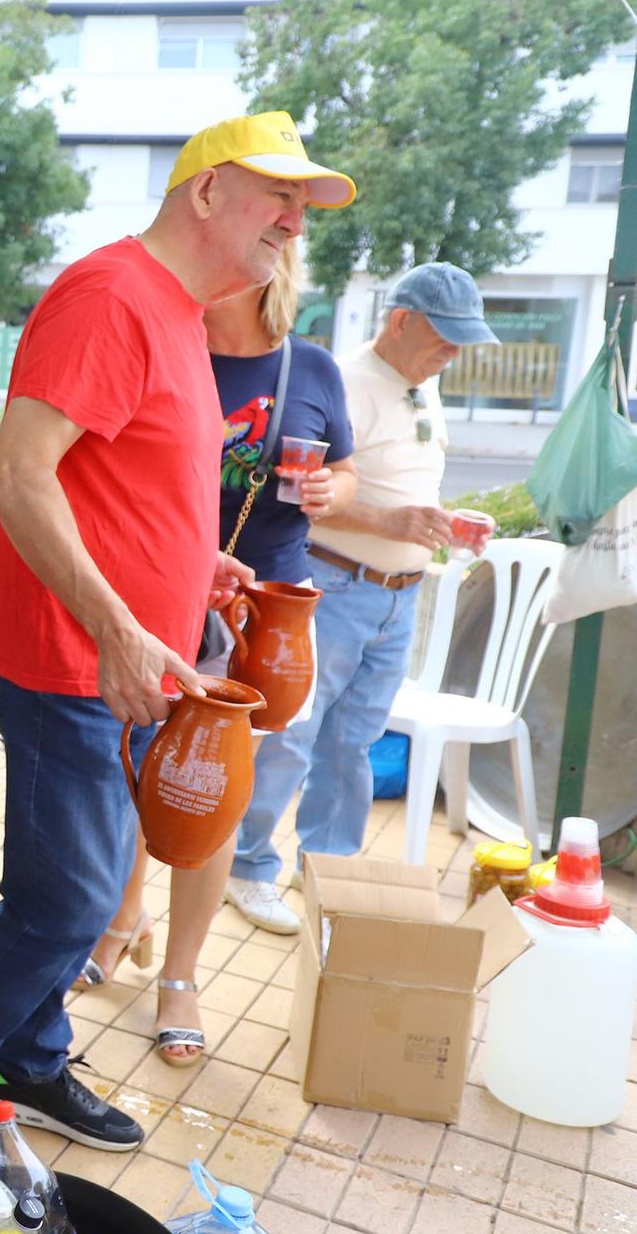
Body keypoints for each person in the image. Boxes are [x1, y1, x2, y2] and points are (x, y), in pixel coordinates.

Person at [0, 112, 354, 1149]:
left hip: (118, 657)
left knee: (61, 881)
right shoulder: (111, 294)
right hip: (66, 655)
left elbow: (117, 479)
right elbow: (15, 476)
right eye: (277, 195)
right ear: (205, 191)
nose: (290, 221)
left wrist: (193, 564)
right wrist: (120, 627)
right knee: (73, 895)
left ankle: (31, 1059)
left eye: (300, 207)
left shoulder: (179, 311)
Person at [76, 241, 358, 1067]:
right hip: (158, 596)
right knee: (139, 770)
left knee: (215, 792)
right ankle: (119, 920)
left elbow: (343, 473)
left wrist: (324, 491)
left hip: (261, 612)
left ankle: (180, 977)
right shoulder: (168, 340)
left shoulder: (310, 367)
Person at [224, 261, 490, 933]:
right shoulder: (340, 380)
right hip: (336, 584)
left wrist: (437, 524)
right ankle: (247, 868)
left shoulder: (419, 386)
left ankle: (329, 875)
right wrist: (390, 523)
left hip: (400, 597)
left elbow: (402, 488)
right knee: (291, 737)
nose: (452, 354)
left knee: (354, 744)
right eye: (444, 338)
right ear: (400, 321)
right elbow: (304, 499)